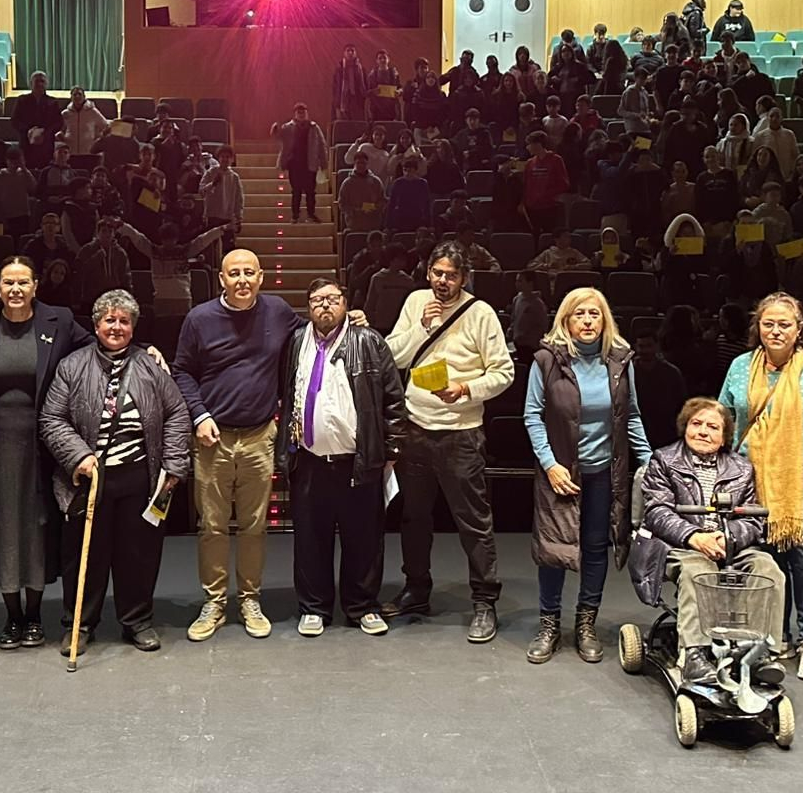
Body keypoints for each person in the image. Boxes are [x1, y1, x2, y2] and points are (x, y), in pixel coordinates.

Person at [39, 289, 192, 653]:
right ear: (96, 324)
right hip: (88, 478)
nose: (117, 326)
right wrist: (78, 456)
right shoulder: (72, 366)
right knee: (83, 556)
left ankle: (137, 621)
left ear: (133, 327)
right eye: (110, 319)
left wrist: (173, 464)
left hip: (139, 476)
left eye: (124, 321)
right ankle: (79, 623)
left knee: (137, 554)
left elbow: (177, 414)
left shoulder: (150, 366)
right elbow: (51, 418)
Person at [383, 242, 514, 642]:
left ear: (464, 278)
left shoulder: (481, 313)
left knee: (473, 522)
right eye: (438, 273)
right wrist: (421, 326)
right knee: (413, 518)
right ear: (428, 273)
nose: (443, 281)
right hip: (416, 427)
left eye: (451, 275)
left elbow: (504, 372)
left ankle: (484, 602)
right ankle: (416, 590)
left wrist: (467, 388)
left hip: (461, 433)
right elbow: (394, 357)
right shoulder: (415, 301)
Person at [174, 249, 302, 642]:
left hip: (260, 437)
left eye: (249, 272)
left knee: (254, 526)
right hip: (212, 438)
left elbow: (313, 335)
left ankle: (250, 598)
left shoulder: (278, 311)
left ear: (261, 277)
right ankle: (214, 601)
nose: (243, 279)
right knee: (211, 526)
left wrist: (353, 320)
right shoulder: (199, 318)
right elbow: (182, 370)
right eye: (235, 273)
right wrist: (199, 415)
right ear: (221, 279)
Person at [718, 293, 803, 682]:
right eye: (768, 323)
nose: (775, 331)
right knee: (763, 566)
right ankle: (775, 635)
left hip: (801, 490)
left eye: (784, 324)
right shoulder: (741, 367)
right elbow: (723, 422)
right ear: (757, 327)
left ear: (799, 329)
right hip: (749, 489)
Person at [0, 258, 91, 649]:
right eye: (8, 282)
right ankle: (12, 617)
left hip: (43, 441)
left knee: (37, 523)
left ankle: (35, 613)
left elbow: (97, 346)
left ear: (36, 285)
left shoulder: (60, 320)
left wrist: (145, 351)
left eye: (23, 282)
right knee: (3, 524)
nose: (15, 289)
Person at [523, 288, 651, 664]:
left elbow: (632, 416)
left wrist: (649, 462)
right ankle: (549, 625)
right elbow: (532, 415)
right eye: (579, 314)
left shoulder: (620, 361)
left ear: (605, 319)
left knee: (596, 548)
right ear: (566, 321)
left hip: (605, 474)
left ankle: (585, 624)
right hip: (560, 472)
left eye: (594, 314)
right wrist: (550, 465)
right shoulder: (547, 360)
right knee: (554, 550)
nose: (588, 321)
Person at [276, 277, 404, 638]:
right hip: (309, 460)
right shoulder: (297, 341)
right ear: (308, 307)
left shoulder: (369, 341)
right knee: (310, 539)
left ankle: (362, 606)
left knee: (363, 537)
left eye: (332, 299)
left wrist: (390, 451)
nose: (325, 306)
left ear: (346, 303)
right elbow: (286, 392)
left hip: (357, 460)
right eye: (317, 300)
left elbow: (393, 400)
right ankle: (314, 607)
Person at [639, 398, 787, 683]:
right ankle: (694, 653)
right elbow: (657, 512)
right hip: (678, 546)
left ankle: (761, 651)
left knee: (768, 569)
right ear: (685, 428)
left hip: (728, 546)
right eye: (696, 424)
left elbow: (753, 519)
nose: (703, 432)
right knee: (699, 571)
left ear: (724, 437)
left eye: (712, 427)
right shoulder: (664, 460)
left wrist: (727, 537)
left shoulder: (741, 468)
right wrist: (694, 536)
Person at [116, 220, 227, 318]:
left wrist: (221, 229)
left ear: (176, 239)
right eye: (166, 239)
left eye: (171, 239)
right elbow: (138, 238)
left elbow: (202, 241)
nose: (169, 243)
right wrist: (123, 226)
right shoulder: (155, 252)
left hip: (182, 299)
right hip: (162, 299)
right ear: (162, 239)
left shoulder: (184, 251)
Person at [275, 102, 328, 225]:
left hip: (310, 164)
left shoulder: (314, 127)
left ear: (307, 113)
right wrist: (275, 129)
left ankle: (311, 214)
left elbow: (321, 145)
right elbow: (279, 136)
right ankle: (295, 215)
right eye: (299, 112)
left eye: (303, 112)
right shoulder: (288, 127)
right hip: (294, 164)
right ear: (295, 114)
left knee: (310, 191)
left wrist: (324, 163)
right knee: (296, 191)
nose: (301, 114)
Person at [74, 218, 132, 315]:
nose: (107, 234)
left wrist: (128, 296)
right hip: (91, 297)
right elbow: (79, 272)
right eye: (104, 231)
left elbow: (125, 276)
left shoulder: (120, 253)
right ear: (98, 233)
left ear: (114, 234)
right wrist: (96, 258)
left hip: (113, 298)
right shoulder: (87, 250)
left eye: (110, 231)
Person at [12, 72, 63, 169]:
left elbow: (58, 122)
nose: (39, 84)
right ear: (31, 84)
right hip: (26, 145)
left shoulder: (53, 102)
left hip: (46, 145)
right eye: (36, 81)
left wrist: (44, 133)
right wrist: (29, 132)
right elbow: (15, 121)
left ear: (47, 84)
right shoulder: (22, 100)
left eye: (42, 81)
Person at [198, 146, 244, 250]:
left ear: (232, 159)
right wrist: (213, 184)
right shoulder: (211, 172)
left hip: (228, 217)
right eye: (222, 157)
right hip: (212, 215)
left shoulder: (234, 177)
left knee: (228, 248)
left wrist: (239, 218)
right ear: (218, 158)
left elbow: (239, 199)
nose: (225, 159)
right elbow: (201, 191)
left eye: (228, 157)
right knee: (211, 248)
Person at [338, 151, 386, 232]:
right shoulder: (347, 183)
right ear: (354, 164)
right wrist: (355, 211)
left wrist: (371, 208)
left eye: (363, 163)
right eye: (358, 163)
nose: (361, 165)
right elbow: (342, 204)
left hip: (373, 223)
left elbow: (382, 201)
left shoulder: (376, 182)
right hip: (354, 224)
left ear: (367, 164)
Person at [61, 88, 110, 156]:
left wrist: (99, 139)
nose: (77, 96)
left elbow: (106, 127)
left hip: (89, 152)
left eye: (79, 94)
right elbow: (59, 129)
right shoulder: (65, 114)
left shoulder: (93, 112)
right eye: (75, 94)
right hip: (70, 152)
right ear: (71, 97)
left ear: (84, 97)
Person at [332, 43, 368, 121]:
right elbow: (335, 88)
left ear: (356, 53)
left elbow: (365, 86)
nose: (350, 53)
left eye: (352, 50)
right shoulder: (339, 69)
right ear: (344, 53)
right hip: (343, 100)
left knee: (358, 123)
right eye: (348, 50)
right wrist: (337, 104)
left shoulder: (361, 69)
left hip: (357, 100)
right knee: (344, 125)